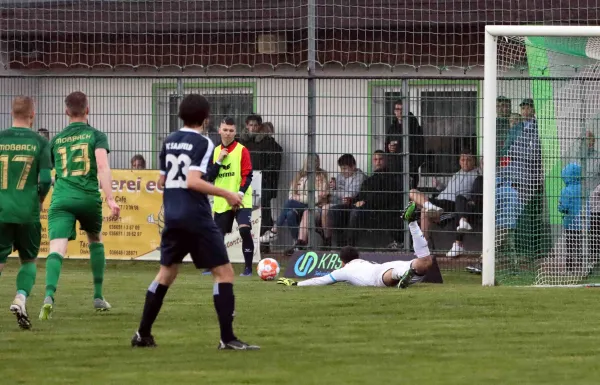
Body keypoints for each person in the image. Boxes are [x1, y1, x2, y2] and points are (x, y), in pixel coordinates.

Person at [131, 94, 259, 351]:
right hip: (196, 216)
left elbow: (160, 181)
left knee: (167, 273)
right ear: (206, 118)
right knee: (224, 273)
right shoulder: (203, 142)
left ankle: (142, 334)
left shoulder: (169, 140)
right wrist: (228, 193)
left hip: (173, 215)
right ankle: (227, 338)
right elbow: (193, 181)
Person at [40, 91, 121, 320]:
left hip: (62, 199)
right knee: (95, 240)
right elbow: (103, 167)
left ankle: (48, 297)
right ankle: (97, 296)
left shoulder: (55, 140)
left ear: (66, 112)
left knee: (56, 248)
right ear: (88, 109)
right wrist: (111, 198)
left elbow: (47, 172)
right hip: (87, 198)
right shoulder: (96, 135)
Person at [278, 202, 433, 288]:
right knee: (425, 261)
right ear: (357, 256)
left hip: (379, 276)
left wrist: (296, 284)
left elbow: (321, 280)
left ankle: (400, 276)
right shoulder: (364, 262)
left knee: (387, 276)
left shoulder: (344, 270)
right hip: (388, 265)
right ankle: (412, 224)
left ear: (342, 261)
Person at [0, 96, 52, 329]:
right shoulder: (40, 142)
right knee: (29, 259)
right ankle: (21, 297)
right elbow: (45, 180)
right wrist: (40, 199)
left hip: (1, 209)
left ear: (12, 113)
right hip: (27, 211)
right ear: (33, 114)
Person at [204, 117, 254, 276]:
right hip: (222, 199)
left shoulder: (242, 150)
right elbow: (209, 177)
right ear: (219, 130)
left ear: (235, 132)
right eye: (225, 130)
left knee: (245, 231)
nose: (227, 133)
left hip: (241, 198)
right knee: (217, 236)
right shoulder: (215, 151)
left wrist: (239, 194)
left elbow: (247, 174)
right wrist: (219, 161)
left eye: (231, 130)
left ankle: (248, 268)